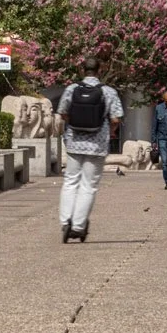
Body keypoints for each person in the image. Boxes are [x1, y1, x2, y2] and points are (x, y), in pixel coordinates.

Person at [55, 70, 125, 243]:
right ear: (100, 71)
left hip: (74, 142)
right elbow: (116, 118)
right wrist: (110, 130)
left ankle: (65, 221)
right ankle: (78, 226)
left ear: (82, 71)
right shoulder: (108, 91)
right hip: (97, 145)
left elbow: (62, 112)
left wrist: (73, 123)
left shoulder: (72, 89)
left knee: (70, 181)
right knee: (89, 185)